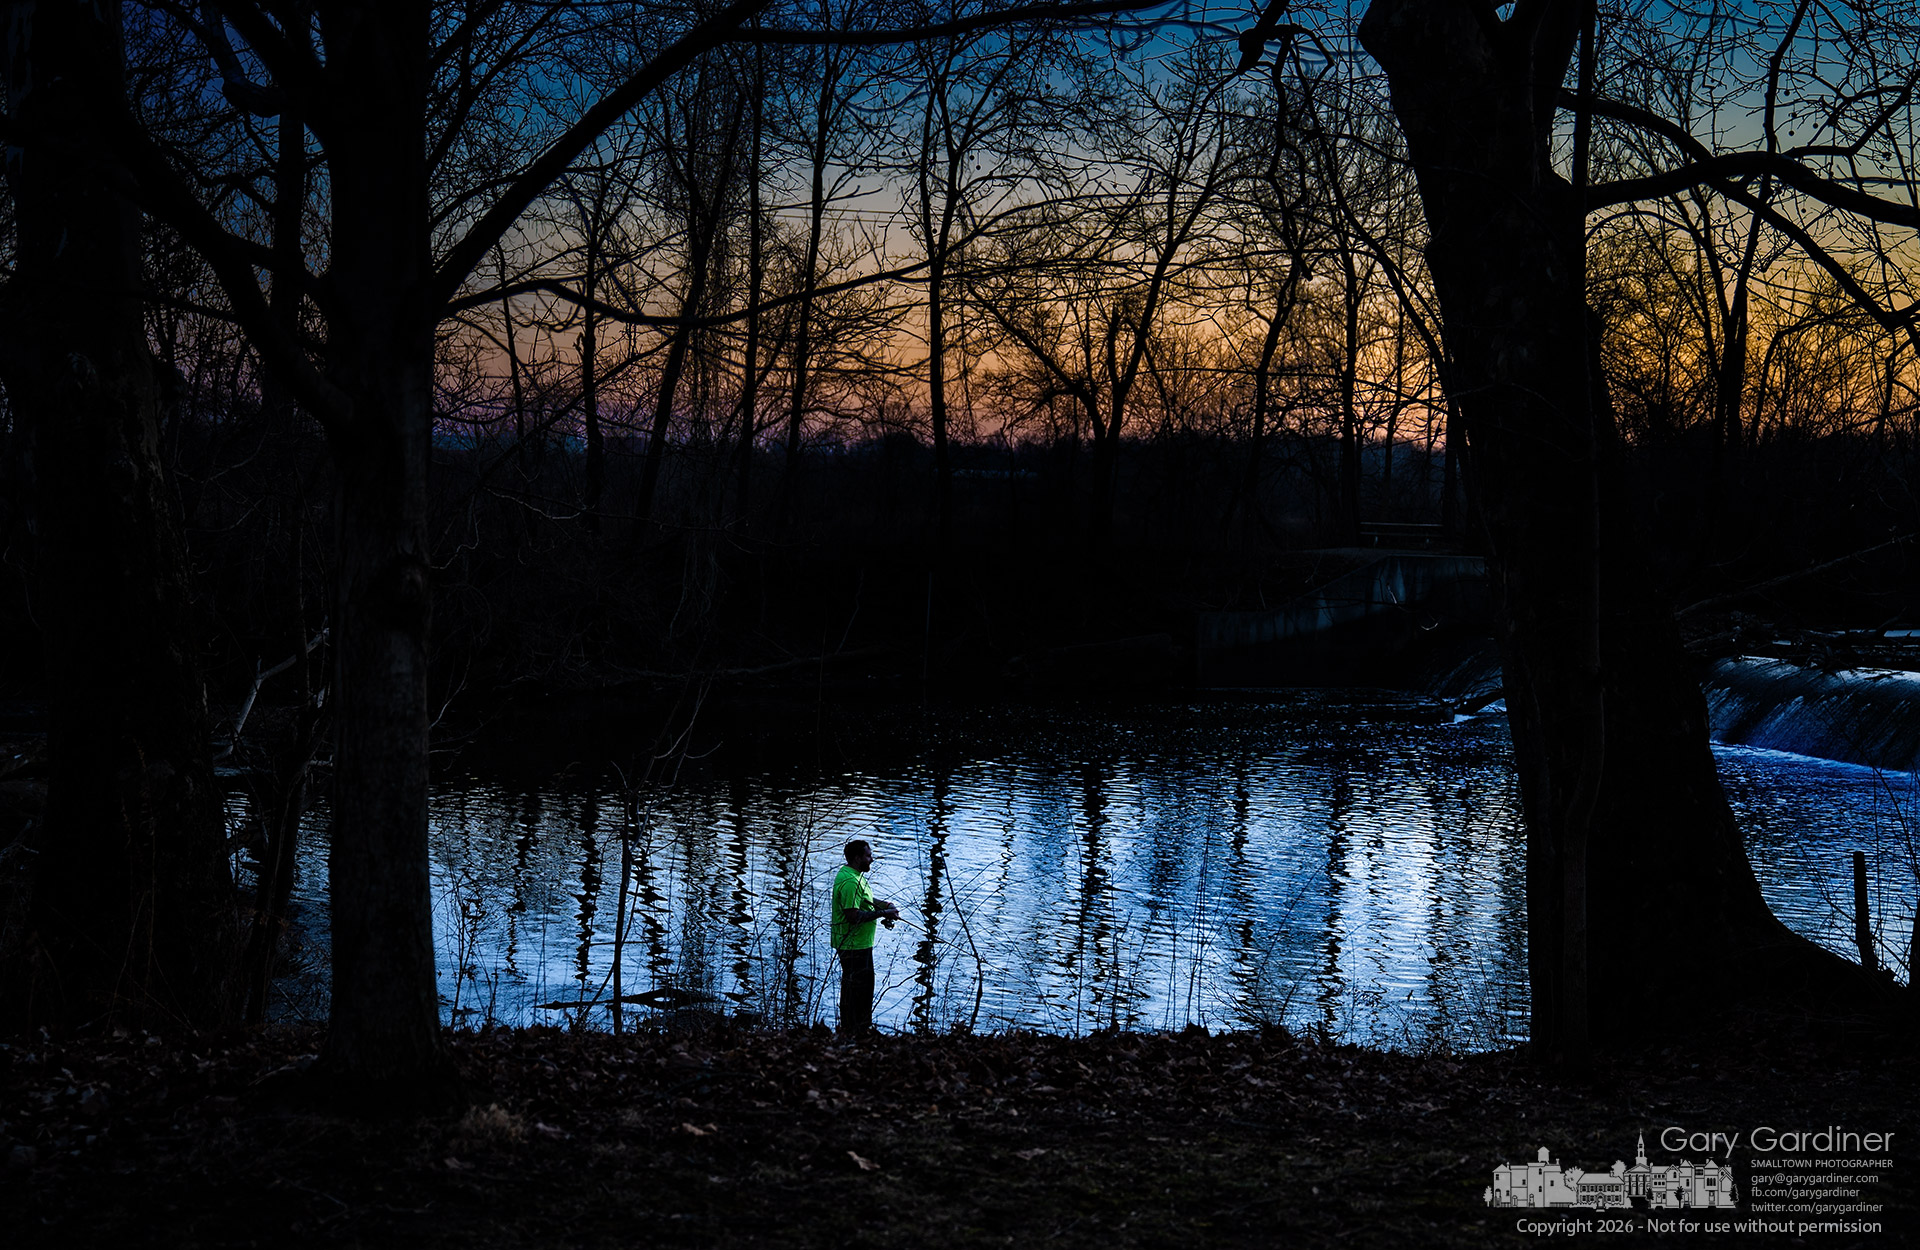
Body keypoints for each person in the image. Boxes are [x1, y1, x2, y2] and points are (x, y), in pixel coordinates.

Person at [829, 839, 898, 1036]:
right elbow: (853, 917)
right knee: (858, 992)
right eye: (868, 856)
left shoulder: (853, 875)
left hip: (860, 944)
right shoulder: (850, 881)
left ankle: (857, 1030)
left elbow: (865, 900)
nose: (872, 859)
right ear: (858, 858)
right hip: (852, 945)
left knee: (860, 990)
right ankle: (855, 1032)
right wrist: (883, 914)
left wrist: (883, 905)